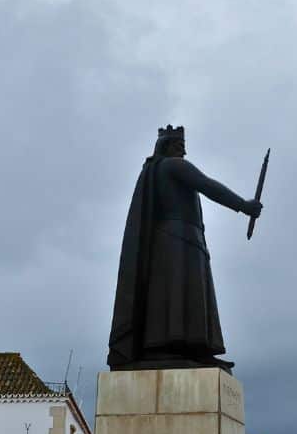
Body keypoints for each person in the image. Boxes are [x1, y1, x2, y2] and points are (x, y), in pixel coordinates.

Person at [108, 125, 262, 370]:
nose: (184, 150)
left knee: (182, 295)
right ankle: (173, 345)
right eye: (179, 145)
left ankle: (188, 347)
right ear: (167, 146)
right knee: (179, 293)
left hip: (180, 239)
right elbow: (207, 185)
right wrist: (243, 205)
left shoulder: (155, 170)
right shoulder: (172, 165)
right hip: (177, 240)